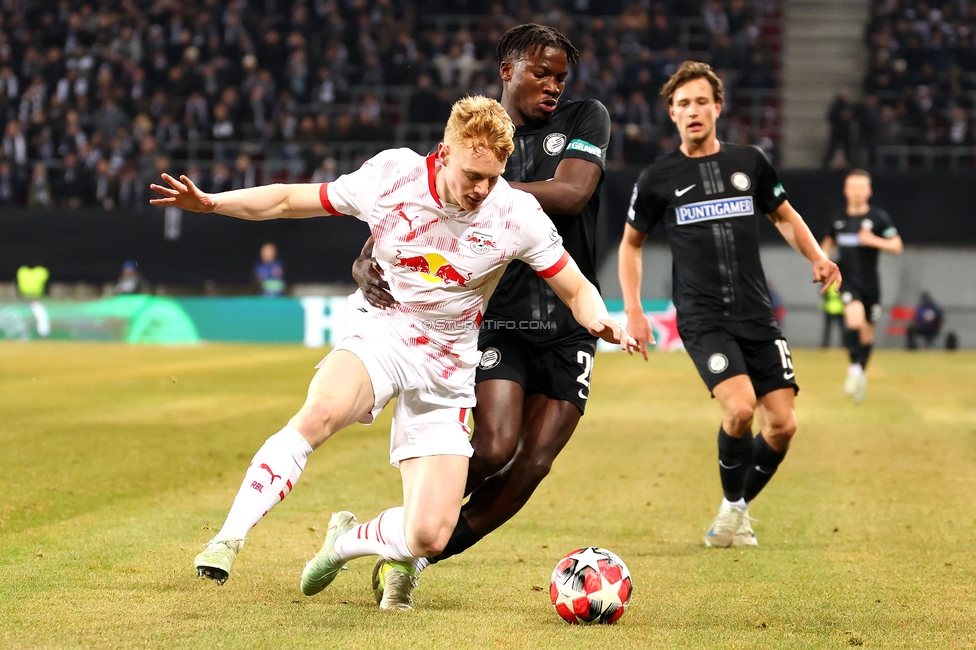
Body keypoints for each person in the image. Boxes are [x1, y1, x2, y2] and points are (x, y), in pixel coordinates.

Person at [149, 96, 635, 610]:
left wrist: (604, 321)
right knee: (322, 410)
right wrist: (213, 203)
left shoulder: (514, 213)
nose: (482, 189)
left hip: (449, 363)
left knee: (429, 535)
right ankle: (228, 538)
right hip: (384, 329)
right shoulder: (392, 176)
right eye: (473, 175)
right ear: (444, 153)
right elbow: (291, 201)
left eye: (493, 177)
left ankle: (344, 542)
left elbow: (577, 289)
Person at [352, 24, 614, 607]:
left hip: (569, 319)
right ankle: (413, 534)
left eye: (560, 77)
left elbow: (572, 193)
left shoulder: (583, 119)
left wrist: (484, 188)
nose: (552, 85)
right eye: (540, 73)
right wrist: (368, 255)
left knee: (532, 465)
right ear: (507, 70)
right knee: (494, 448)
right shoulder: (471, 136)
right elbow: (412, 204)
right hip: (498, 316)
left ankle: (415, 551)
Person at [618, 61, 841, 549]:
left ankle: (733, 513)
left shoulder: (750, 162)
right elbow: (631, 244)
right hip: (703, 317)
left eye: (701, 102)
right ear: (671, 115)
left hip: (757, 313)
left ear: (717, 107)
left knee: (782, 425)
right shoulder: (659, 179)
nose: (693, 111)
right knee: (740, 410)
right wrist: (634, 309)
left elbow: (784, 216)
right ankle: (732, 515)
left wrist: (818, 256)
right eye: (682, 105)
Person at [821, 169, 903, 402]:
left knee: (867, 336)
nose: (856, 192)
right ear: (846, 191)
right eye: (852, 187)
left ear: (869, 191)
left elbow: (897, 246)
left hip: (871, 284)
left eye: (861, 188)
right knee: (854, 320)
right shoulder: (838, 219)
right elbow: (825, 246)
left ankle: (858, 372)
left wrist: (873, 240)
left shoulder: (878, 218)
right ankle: (855, 371)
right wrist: (823, 262)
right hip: (847, 282)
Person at [820, 284, 845, 348]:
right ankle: (825, 344)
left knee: (840, 329)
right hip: (834, 308)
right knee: (829, 329)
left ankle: (825, 344)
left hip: (836, 308)